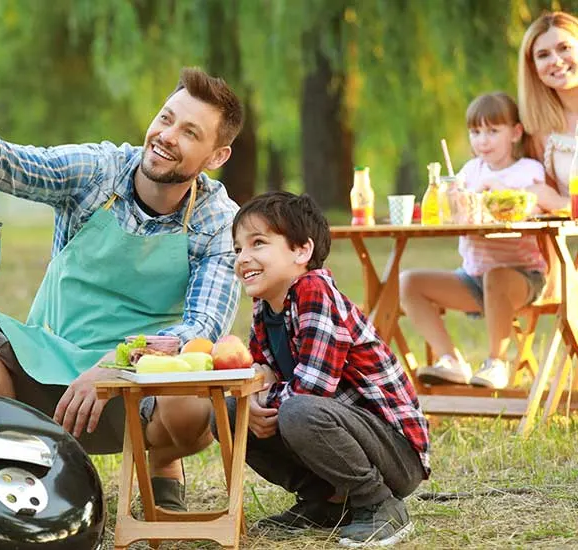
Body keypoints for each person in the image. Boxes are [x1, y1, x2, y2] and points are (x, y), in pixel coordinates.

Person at [0, 67, 244, 511]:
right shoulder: (100, 170)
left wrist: (115, 365)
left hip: (139, 386)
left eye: (189, 132)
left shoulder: (219, 220)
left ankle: (163, 462)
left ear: (215, 156)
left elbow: (203, 327)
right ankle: (15, 460)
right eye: (166, 118)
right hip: (44, 362)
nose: (167, 136)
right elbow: (15, 165)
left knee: (191, 406)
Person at [213, 191, 430, 547]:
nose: (243, 258)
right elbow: (260, 367)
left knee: (297, 410)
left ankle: (378, 502)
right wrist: (250, 400)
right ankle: (327, 501)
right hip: (336, 433)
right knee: (227, 410)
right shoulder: (265, 306)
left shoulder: (314, 291)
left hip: (393, 452)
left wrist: (264, 395)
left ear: (302, 251)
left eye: (258, 243)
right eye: (238, 249)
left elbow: (311, 389)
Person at [401, 92, 554, 390]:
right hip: (473, 279)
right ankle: (451, 360)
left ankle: (496, 362)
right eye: (475, 132)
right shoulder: (469, 172)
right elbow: (452, 215)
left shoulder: (528, 171)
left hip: (523, 278)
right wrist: (453, 202)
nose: (482, 140)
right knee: (408, 283)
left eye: (492, 131)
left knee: (497, 277)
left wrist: (495, 189)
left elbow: (532, 209)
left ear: (515, 132)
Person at [518, 10, 578, 209]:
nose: (556, 60)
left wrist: (559, 203)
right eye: (543, 55)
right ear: (533, 67)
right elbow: (548, 220)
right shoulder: (540, 132)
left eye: (565, 48)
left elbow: (552, 202)